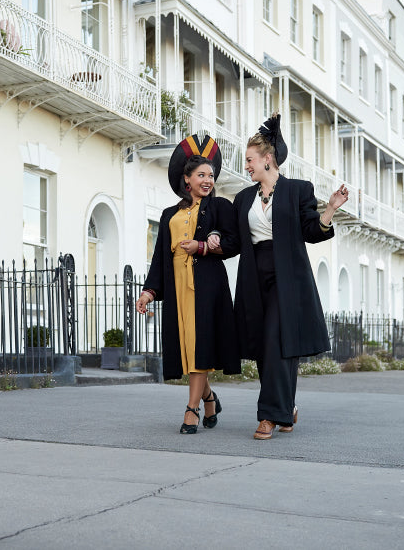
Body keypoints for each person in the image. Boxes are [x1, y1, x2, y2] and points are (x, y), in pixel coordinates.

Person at [212, 114, 349, 440]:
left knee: (276, 339)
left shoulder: (298, 190)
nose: (246, 165)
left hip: (287, 279)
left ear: (267, 159)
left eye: (249, 159)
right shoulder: (243, 198)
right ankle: (286, 409)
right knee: (266, 346)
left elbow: (311, 231)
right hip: (253, 278)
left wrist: (330, 209)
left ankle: (268, 416)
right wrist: (212, 242)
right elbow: (234, 242)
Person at [136, 135, 240, 434]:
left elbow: (234, 243)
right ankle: (209, 399)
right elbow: (160, 257)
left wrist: (203, 246)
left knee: (199, 346)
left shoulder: (219, 206)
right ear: (187, 179)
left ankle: (191, 409)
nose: (207, 180)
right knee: (188, 350)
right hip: (178, 288)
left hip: (207, 288)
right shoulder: (169, 214)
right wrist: (149, 291)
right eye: (201, 175)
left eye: (211, 176)